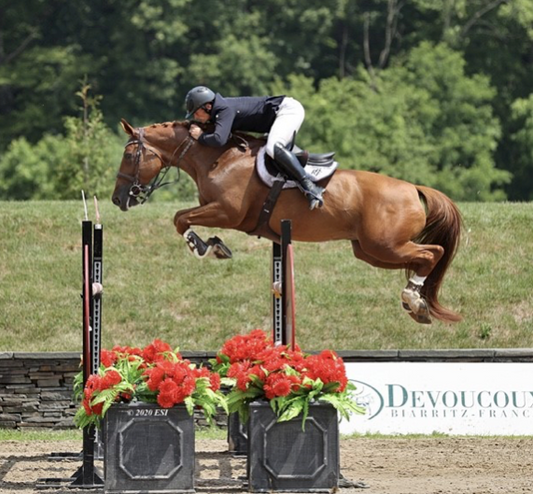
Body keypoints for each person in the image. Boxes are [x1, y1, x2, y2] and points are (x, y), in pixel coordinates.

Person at [184, 86, 325, 209]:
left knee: (273, 147)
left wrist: (201, 136)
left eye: (196, 112)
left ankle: (311, 187)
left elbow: (219, 139)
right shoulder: (219, 111)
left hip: (287, 110)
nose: (195, 116)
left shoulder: (223, 109)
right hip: (278, 115)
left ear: (208, 106)